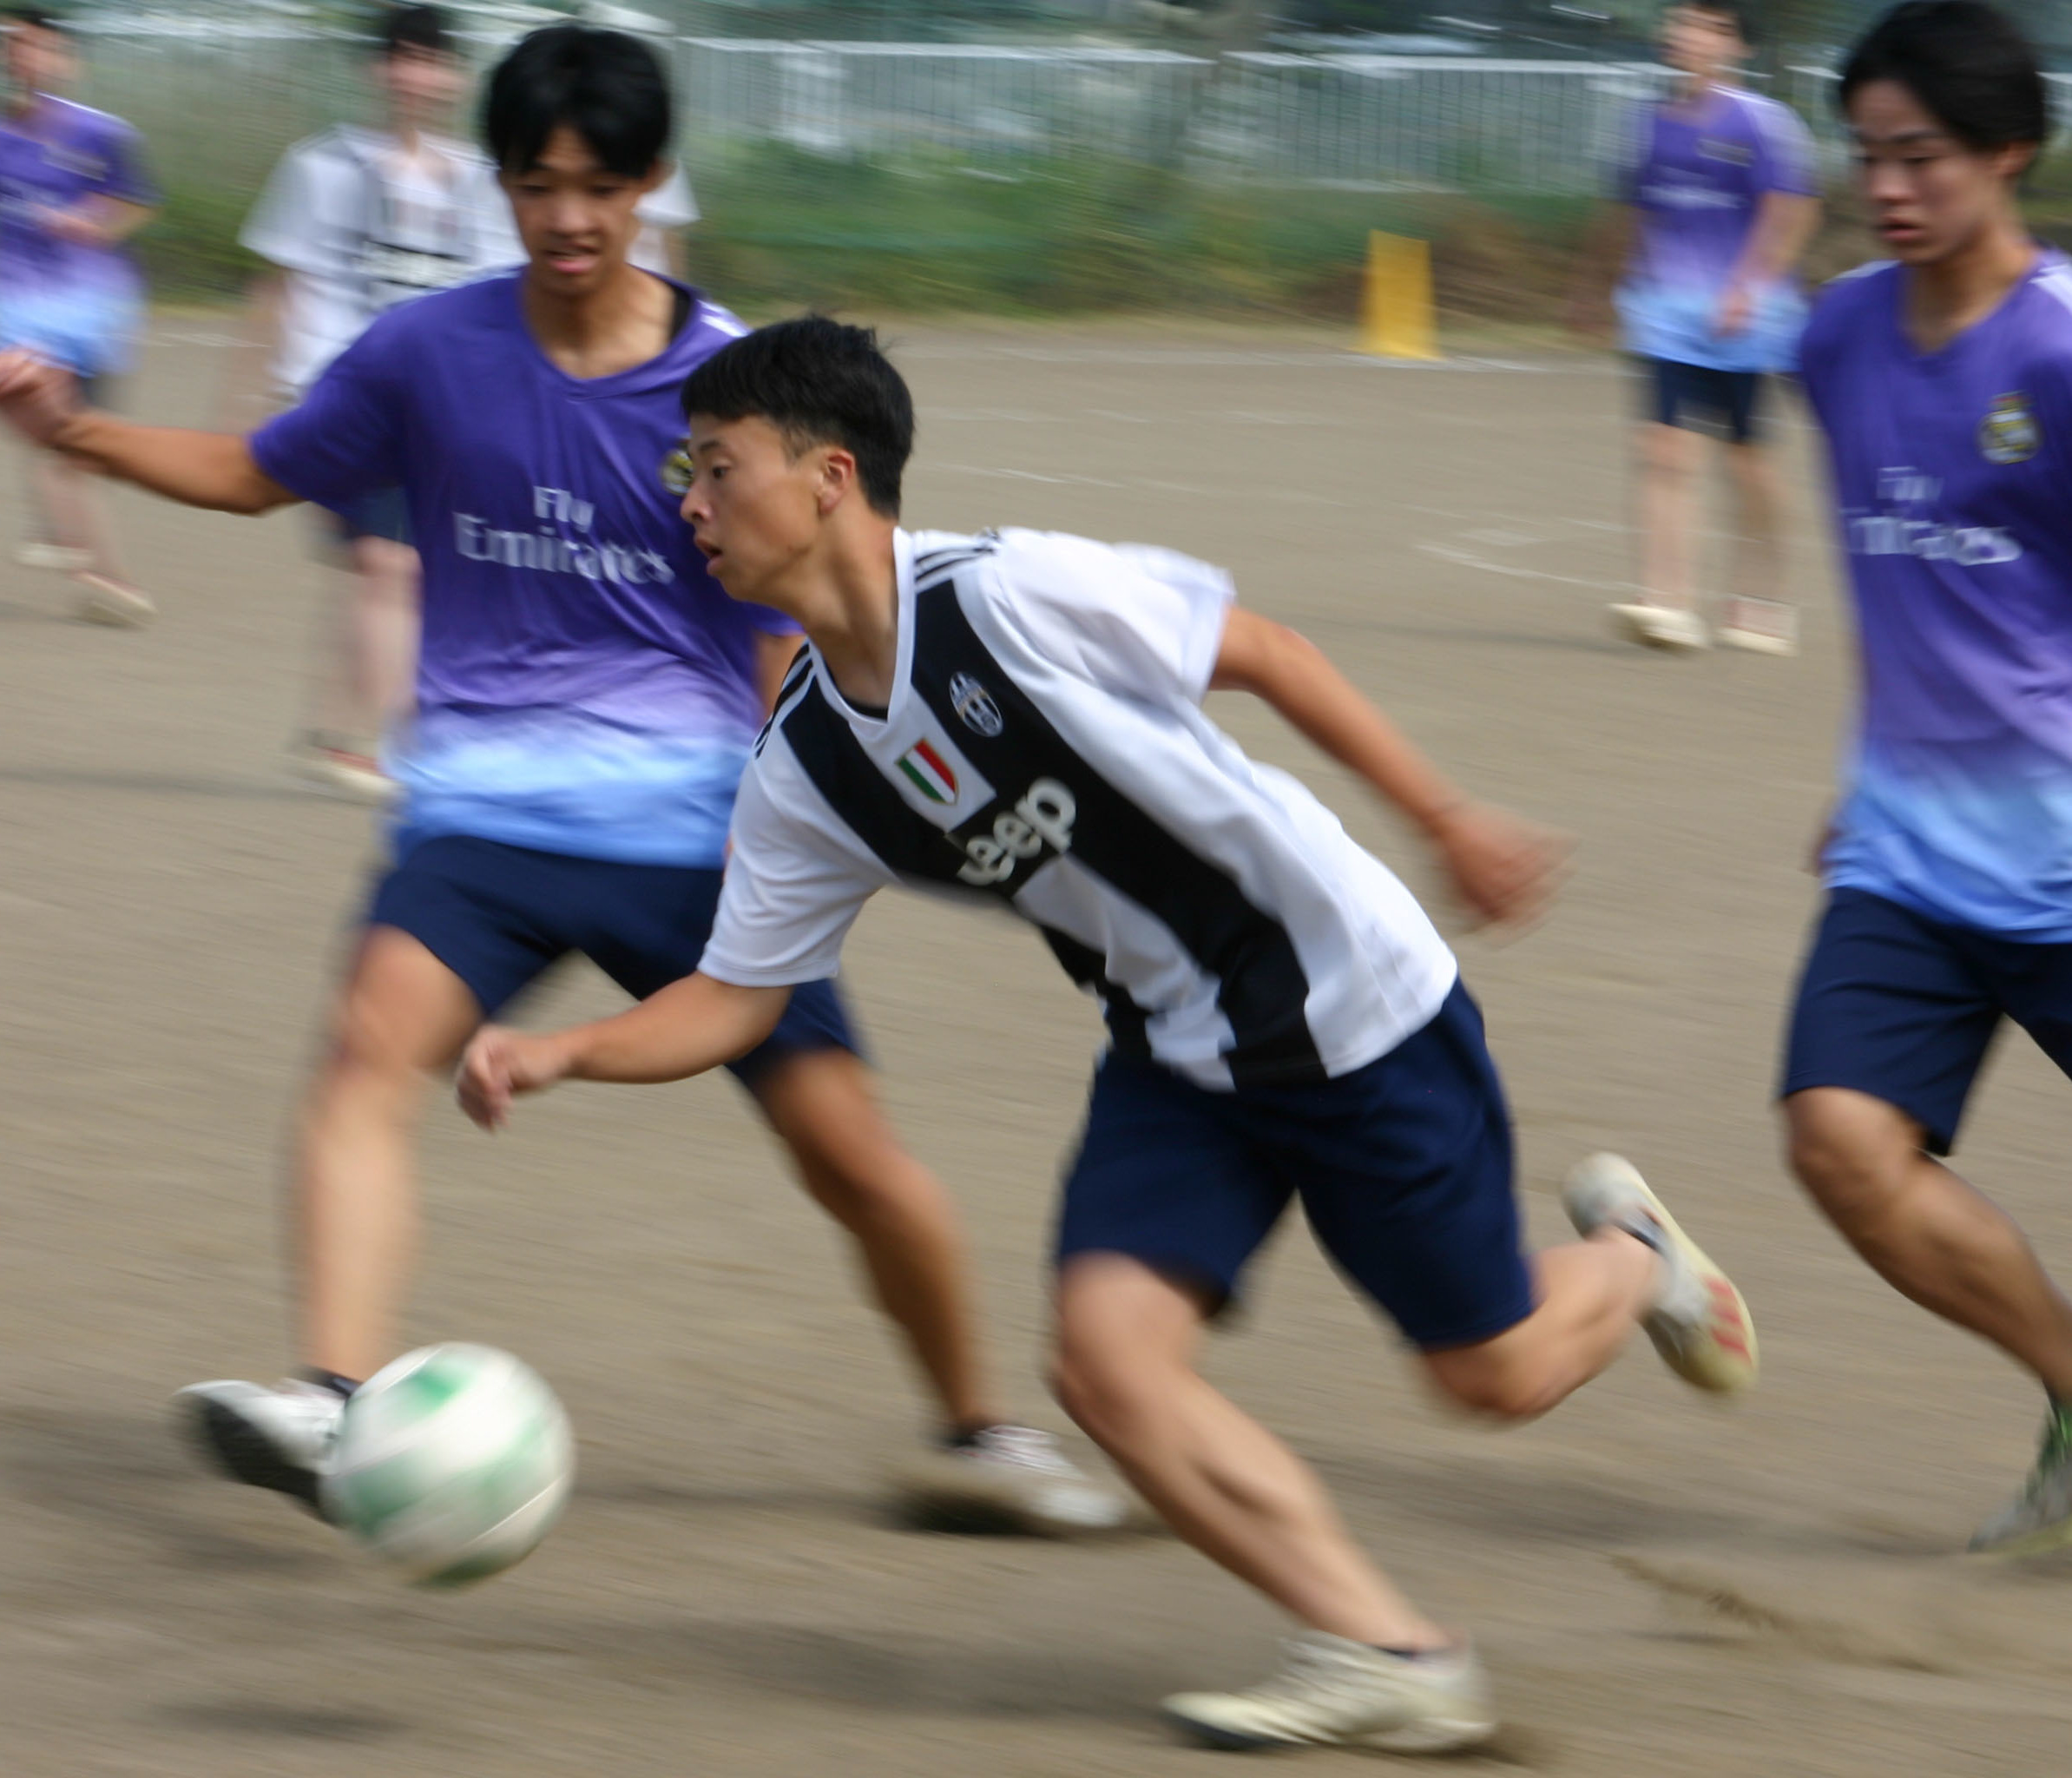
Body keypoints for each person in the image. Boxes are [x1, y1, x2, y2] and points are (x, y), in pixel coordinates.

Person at [449, 315, 1762, 1752]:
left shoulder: (1011, 591)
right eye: (685, 469)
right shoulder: (807, 761)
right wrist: (558, 1050)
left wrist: (1448, 818)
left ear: (830, 476)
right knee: (1102, 1359)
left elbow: (1261, 648)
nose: (686, 498)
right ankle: (1392, 1648)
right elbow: (737, 993)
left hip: (1350, 1001)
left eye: (716, 466)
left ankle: (1634, 1261)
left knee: (1490, 1374)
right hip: (1176, 1050)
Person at [0, 25, 1122, 1537]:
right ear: (503, 181)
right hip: (482, 816)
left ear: (650, 183)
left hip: (699, 830)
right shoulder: (428, 352)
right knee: (367, 1057)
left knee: (848, 1152)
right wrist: (74, 429)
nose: (571, 217)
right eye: (539, 182)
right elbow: (256, 471)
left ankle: (979, 1431)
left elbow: (800, 631)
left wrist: (843, 820)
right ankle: (335, 1393)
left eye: (605, 184)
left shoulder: (737, 385)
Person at [1782, 0, 2072, 1557]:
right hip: (1906, 849)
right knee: (1839, 1140)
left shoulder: (2066, 352)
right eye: (1872, 156)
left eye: (1928, 156)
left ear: (2009, 152)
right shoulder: (1836, 338)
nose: (1891, 186)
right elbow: (1896, 573)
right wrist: (1872, 751)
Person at [227, 4, 703, 800]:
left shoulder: (486, 174)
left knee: (415, 571)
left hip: (458, 399)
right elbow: (279, 283)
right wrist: (251, 396)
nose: (415, 76)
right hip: (359, 394)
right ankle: (408, 750)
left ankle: (343, 729)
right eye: (400, 60)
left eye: (430, 60)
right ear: (376, 71)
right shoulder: (328, 165)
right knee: (388, 563)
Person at [1568, 0, 1819, 654]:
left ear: (1732, 44)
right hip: (1663, 311)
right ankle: (1666, 602)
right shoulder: (1646, 125)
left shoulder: (1763, 123)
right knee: (1664, 449)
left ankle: (1762, 597)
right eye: (1677, 23)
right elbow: (1623, 214)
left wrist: (1748, 286)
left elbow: (1791, 212)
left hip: (1745, 317)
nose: (1681, 35)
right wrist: (1591, 288)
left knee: (1747, 462)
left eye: (1701, 25)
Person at [0, 6, 159, 628]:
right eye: (15, 47)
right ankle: (105, 575)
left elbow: (138, 202)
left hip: (92, 304)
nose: (28, 58)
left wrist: (96, 223)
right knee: (59, 428)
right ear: (1, 58)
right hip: (10, 301)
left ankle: (63, 530)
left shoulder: (105, 134)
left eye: (42, 48)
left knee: (84, 440)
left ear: (68, 61)